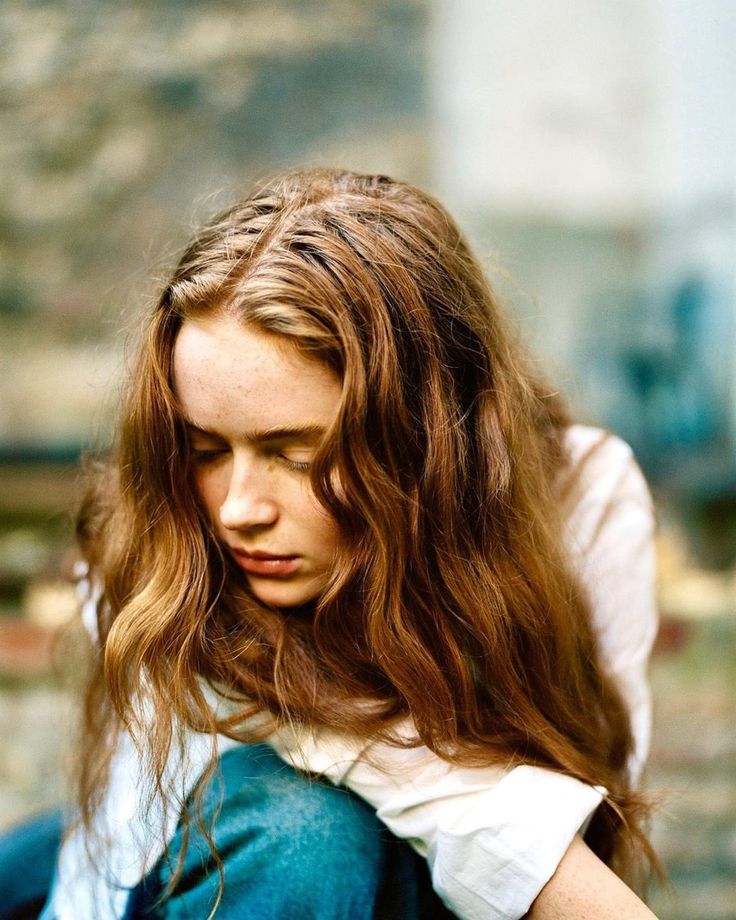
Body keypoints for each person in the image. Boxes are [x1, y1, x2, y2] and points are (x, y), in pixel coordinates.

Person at [0, 168, 659, 919]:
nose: (239, 511)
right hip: (167, 870)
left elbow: (595, 815)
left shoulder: (581, 499)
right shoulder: (166, 540)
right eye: (206, 448)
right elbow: (105, 862)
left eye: (300, 453)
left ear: (427, 437)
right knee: (307, 831)